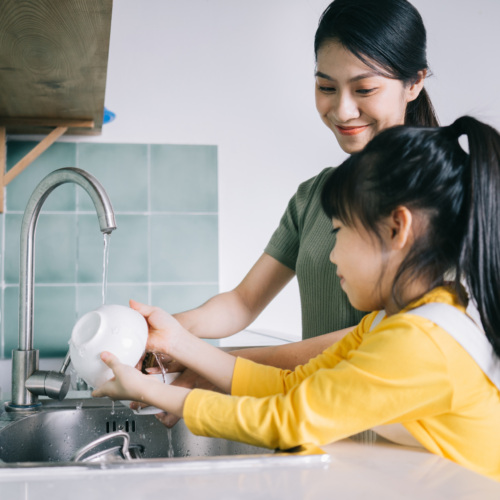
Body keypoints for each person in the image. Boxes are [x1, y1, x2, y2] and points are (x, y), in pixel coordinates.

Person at [94, 116, 500, 481]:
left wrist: (153, 392)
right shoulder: (394, 323)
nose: (331, 253)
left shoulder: (423, 343)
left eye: (339, 231)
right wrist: (179, 342)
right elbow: (292, 387)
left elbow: (288, 420)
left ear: (397, 228)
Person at [154, 0, 439, 417]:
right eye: (326, 87)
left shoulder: (442, 196)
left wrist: (209, 362)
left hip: (403, 445)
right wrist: (162, 330)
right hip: (319, 430)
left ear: (414, 83)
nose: (342, 110)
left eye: (364, 89)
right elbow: (242, 302)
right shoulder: (315, 195)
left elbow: (382, 340)